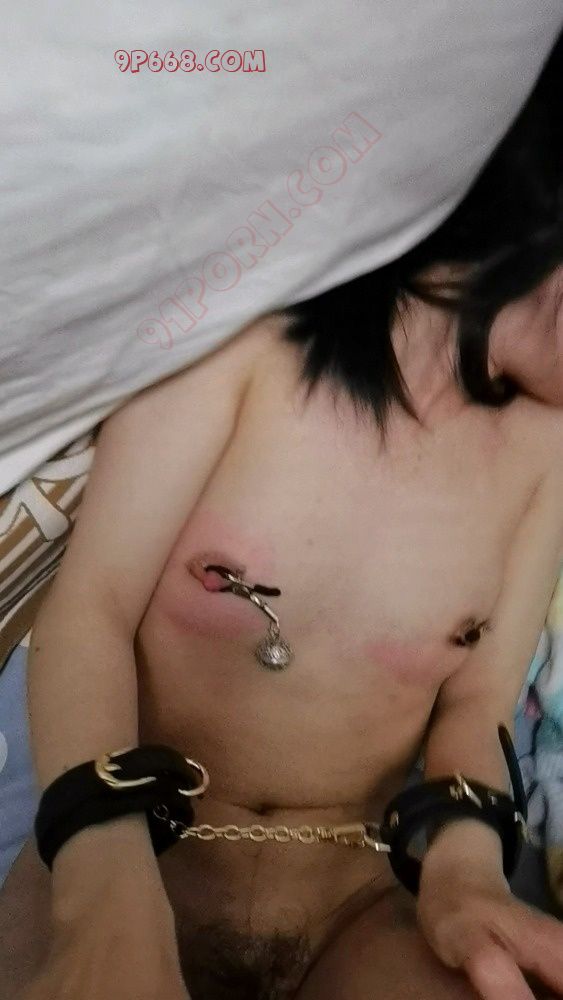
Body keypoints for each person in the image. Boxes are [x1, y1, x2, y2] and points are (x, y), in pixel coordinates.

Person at [1, 35, 562, 1000]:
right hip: (125, 858)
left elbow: (478, 703)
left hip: (360, 897)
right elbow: (88, 613)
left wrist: (467, 874)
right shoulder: (234, 346)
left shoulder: (545, 449)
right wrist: (103, 889)